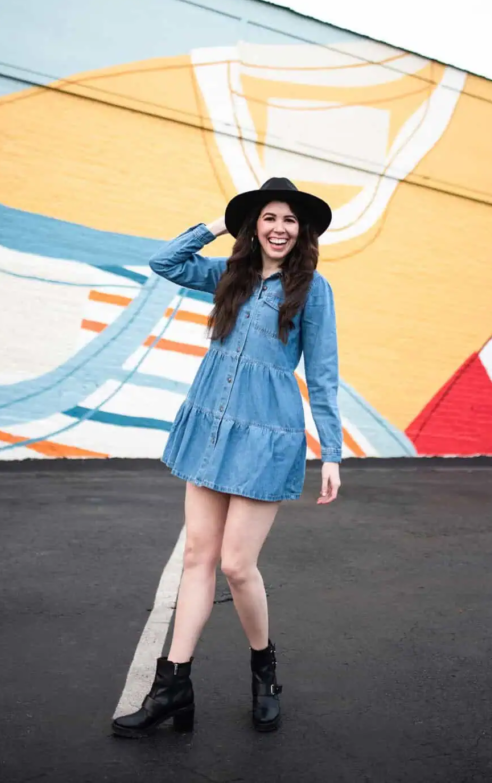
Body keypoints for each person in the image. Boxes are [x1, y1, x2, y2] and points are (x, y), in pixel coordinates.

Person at [111, 177, 343, 739]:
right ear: (254, 226)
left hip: (267, 436)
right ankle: (173, 689)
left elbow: (324, 373)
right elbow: (163, 261)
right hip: (211, 428)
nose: (279, 228)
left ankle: (265, 673)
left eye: (290, 220)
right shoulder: (226, 275)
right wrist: (221, 221)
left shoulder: (314, 289)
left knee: (236, 566)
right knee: (197, 557)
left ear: (302, 230)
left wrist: (331, 453)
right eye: (268, 217)